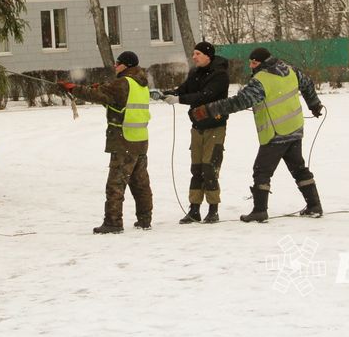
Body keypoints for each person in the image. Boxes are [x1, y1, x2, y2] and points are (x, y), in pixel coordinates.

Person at [192, 47, 324, 222]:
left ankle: (260, 210)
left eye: (254, 63)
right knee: (298, 168)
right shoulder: (291, 70)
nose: (251, 66)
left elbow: (239, 101)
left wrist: (209, 110)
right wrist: (314, 104)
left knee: (261, 171)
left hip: (276, 132)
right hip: (295, 128)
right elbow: (307, 84)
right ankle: (314, 206)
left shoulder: (261, 80)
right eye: (250, 63)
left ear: (263, 62)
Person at [57, 50, 153, 234]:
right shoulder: (140, 83)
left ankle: (113, 222)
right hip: (140, 140)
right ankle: (145, 219)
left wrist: (72, 88)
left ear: (126, 65)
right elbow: (116, 103)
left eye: (118, 63)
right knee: (140, 183)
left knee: (115, 185)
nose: (115, 66)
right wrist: (100, 88)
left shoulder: (123, 83)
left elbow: (97, 95)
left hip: (124, 140)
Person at [162, 41, 230, 224]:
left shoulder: (220, 75)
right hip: (197, 126)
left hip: (215, 126)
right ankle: (194, 209)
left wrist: (179, 99)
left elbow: (205, 95)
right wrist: (169, 93)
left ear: (208, 55)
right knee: (197, 168)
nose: (194, 57)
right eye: (193, 54)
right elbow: (185, 89)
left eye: (198, 54)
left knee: (210, 168)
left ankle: (213, 209)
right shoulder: (196, 73)